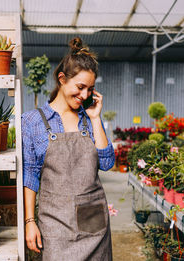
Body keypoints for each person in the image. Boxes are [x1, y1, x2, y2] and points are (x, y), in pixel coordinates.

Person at [22, 37, 115, 261]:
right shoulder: (32, 121)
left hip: (93, 219)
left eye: (90, 89)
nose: (84, 96)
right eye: (80, 87)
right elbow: (30, 175)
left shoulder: (88, 118)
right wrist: (29, 222)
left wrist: (95, 118)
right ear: (62, 79)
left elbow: (107, 162)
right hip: (54, 222)